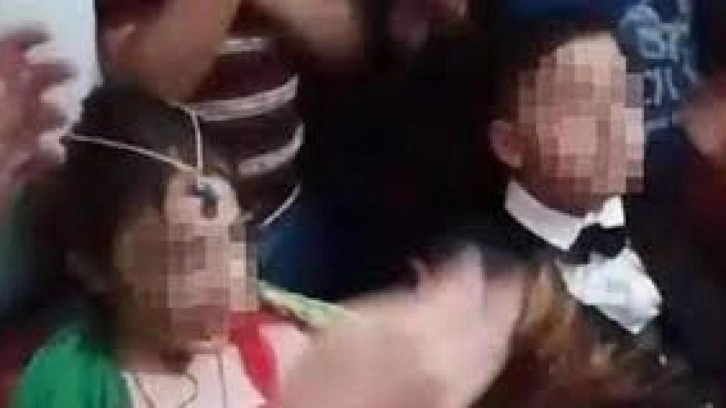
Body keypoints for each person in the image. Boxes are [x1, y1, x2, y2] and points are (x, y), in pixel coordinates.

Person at [8, 85, 345, 408]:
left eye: (234, 240)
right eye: (188, 259)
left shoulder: (290, 347)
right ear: (96, 270)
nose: (225, 281)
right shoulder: (68, 386)